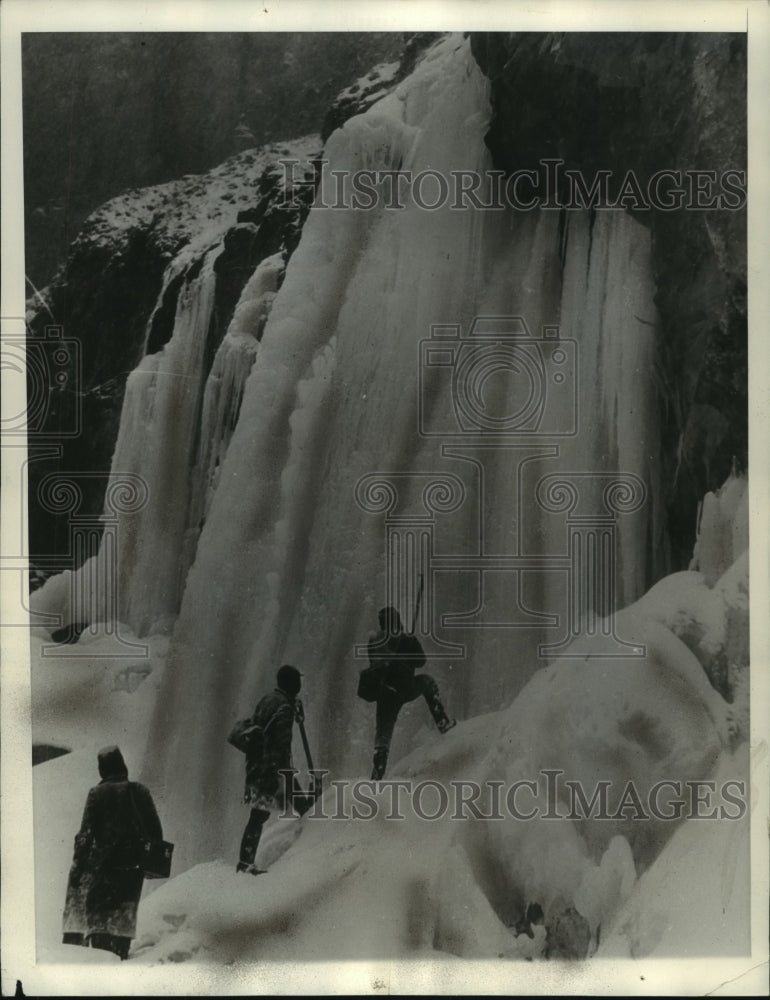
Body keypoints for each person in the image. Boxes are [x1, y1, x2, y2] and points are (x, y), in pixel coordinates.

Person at [62, 746, 163, 961]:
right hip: (132, 873)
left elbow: (85, 836)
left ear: (103, 770)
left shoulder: (97, 794)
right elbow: (156, 833)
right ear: (122, 765)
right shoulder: (140, 791)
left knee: (101, 931)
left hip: (103, 872)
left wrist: (79, 868)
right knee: (121, 927)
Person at [367, 606, 455, 780]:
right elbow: (421, 661)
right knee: (427, 682)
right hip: (405, 688)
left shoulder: (374, 640)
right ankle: (442, 722)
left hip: (385, 693)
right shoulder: (406, 638)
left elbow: (373, 662)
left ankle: (377, 772)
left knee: (383, 733)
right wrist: (409, 645)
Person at [236, 664, 303, 875]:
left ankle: (245, 862)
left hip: (257, 764)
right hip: (271, 767)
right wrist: (279, 773)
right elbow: (281, 743)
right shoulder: (284, 706)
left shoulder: (269, 699)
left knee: (260, 813)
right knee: (260, 814)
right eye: (298, 681)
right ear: (292, 683)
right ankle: (245, 864)